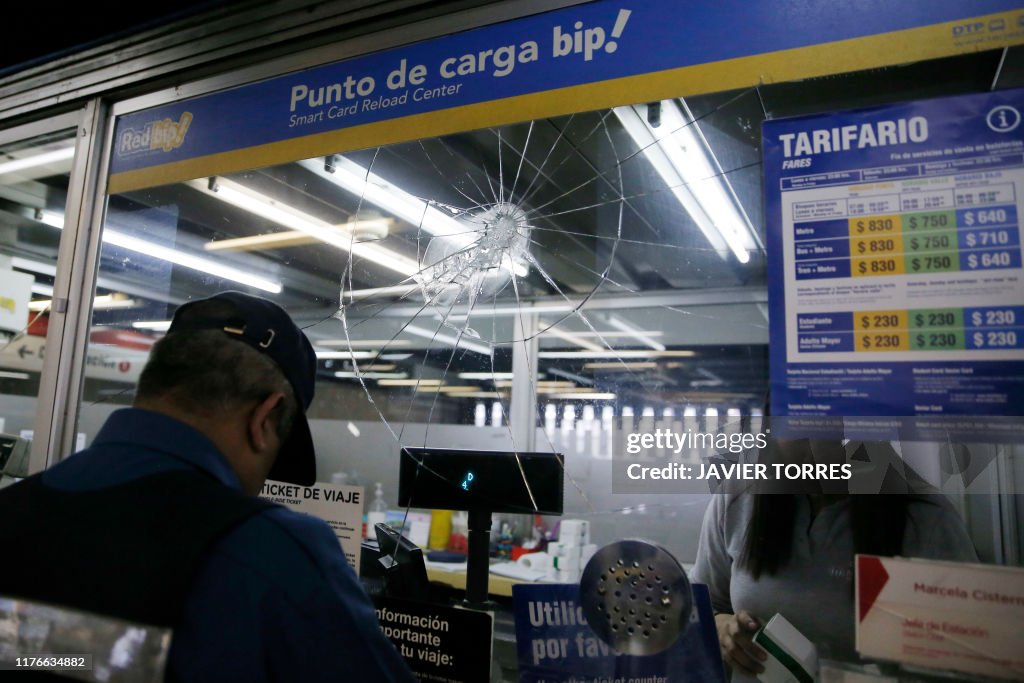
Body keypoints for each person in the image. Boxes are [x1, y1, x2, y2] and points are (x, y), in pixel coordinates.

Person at [0, 291, 415, 682]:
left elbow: (55, 654)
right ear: (265, 419)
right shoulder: (274, 552)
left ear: (153, 386)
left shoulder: (12, 510)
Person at [691, 437, 978, 681]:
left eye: (829, 428)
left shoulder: (924, 520)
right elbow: (702, 605)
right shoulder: (742, 496)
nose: (813, 452)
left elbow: (967, 657)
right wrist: (724, 629)